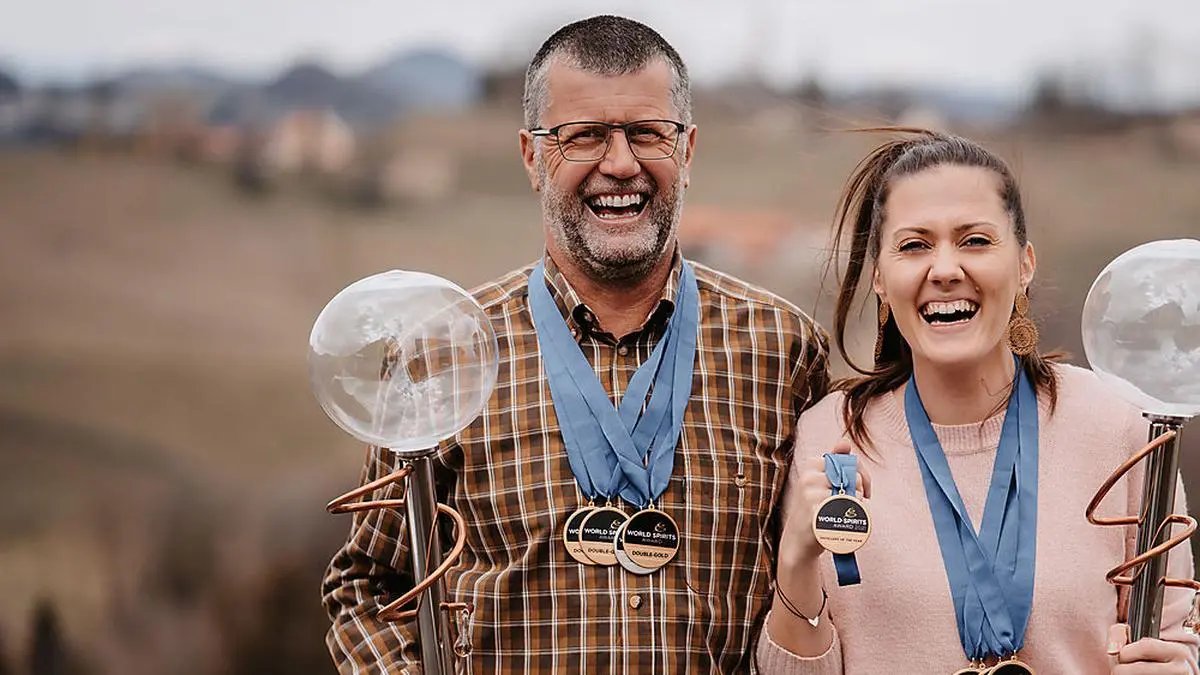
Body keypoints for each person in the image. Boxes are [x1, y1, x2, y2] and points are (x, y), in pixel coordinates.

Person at [321, 15, 830, 674]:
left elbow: (825, 579)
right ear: (532, 157)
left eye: (647, 133)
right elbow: (366, 586)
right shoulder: (440, 352)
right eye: (583, 135)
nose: (619, 164)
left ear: (687, 151)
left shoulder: (784, 350)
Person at [756, 128, 1200, 674]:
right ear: (880, 278)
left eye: (975, 241)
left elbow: (1174, 644)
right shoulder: (830, 436)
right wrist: (796, 562)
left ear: (1024, 264)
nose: (945, 269)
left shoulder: (1121, 425)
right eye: (914, 245)